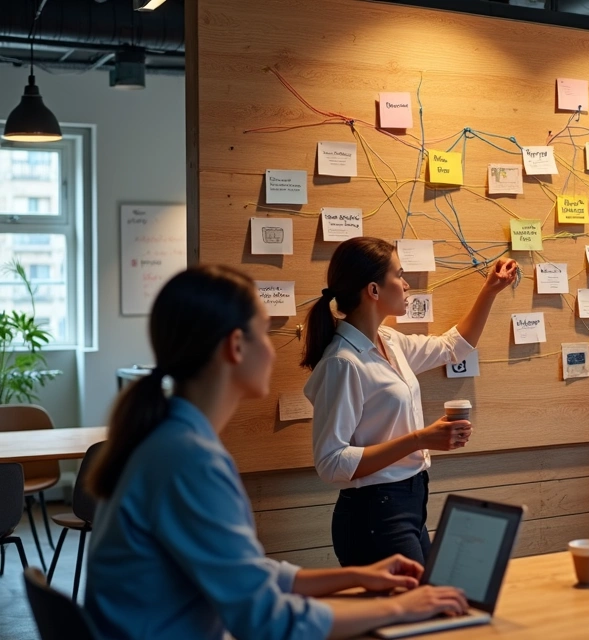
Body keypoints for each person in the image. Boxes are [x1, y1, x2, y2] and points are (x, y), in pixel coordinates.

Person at [84, 266, 469, 640]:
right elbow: (266, 621)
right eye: (263, 332)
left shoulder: (167, 439)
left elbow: (248, 574)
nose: (271, 348)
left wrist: (355, 577)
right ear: (235, 346)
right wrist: (400, 608)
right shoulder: (190, 460)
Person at [302, 237, 517, 566]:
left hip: (409, 501)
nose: (406, 284)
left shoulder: (388, 340)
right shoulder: (343, 363)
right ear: (374, 290)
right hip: (375, 513)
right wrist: (421, 438)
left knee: (426, 607)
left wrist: (490, 290)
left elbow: (453, 347)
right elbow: (331, 463)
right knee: (417, 612)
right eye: (399, 275)